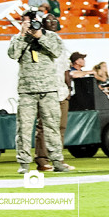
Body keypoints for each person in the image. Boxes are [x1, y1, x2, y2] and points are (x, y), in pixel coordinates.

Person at [8, 10, 70, 174]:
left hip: (48, 89)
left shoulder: (51, 36)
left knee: (52, 127)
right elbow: (13, 54)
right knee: (24, 129)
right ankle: (24, 164)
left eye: (32, 21)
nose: (30, 25)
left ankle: (57, 160)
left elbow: (57, 52)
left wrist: (39, 36)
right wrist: (23, 35)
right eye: (26, 22)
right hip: (27, 90)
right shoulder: (18, 38)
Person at [34, 13, 74, 171]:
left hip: (61, 90)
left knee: (60, 127)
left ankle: (57, 158)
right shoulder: (38, 42)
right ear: (42, 24)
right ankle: (42, 159)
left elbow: (65, 68)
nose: (52, 22)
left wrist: (69, 87)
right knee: (44, 126)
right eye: (48, 20)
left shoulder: (60, 43)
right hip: (46, 90)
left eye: (54, 19)